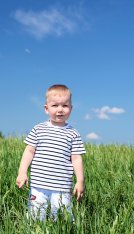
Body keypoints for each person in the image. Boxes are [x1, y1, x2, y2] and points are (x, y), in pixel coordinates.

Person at [16, 84, 86, 221]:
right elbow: (29, 151)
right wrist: (22, 172)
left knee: (62, 219)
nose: (60, 110)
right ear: (46, 109)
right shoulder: (38, 129)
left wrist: (80, 181)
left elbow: (76, 159)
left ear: (71, 109)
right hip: (38, 184)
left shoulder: (73, 133)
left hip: (62, 186)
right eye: (55, 106)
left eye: (65, 106)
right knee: (35, 217)